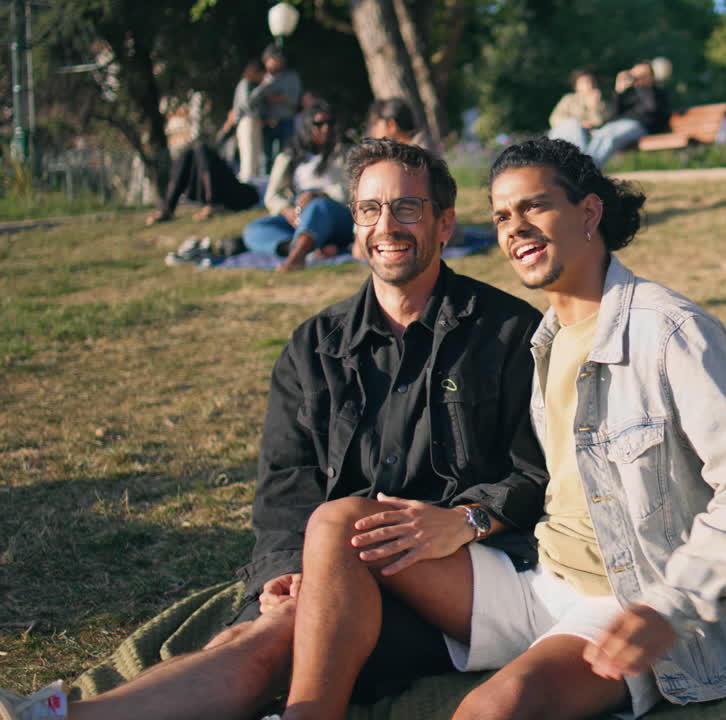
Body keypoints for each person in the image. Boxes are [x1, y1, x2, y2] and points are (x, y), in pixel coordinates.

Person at [0, 138, 549, 720]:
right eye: (369, 209)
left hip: (448, 578)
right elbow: (286, 481)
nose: (387, 225)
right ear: (355, 225)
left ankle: (57, 716)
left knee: (277, 638)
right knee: (268, 628)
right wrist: (286, 570)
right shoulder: (315, 347)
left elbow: (538, 471)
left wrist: (464, 519)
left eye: (407, 208)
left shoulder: (510, 334)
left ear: (443, 224)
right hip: (333, 569)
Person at [415, 137, 726, 719]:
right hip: (541, 578)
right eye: (503, 216)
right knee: (347, 531)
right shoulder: (544, 340)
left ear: (589, 212)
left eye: (534, 207)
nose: (515, 228)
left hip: (630, 605)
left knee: (493, 711)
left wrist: (668, 608)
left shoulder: (671, 332)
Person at [242, 101, 352, 271]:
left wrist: (319, 194)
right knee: (254, 229)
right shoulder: (289, 157)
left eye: (330, 123)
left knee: (318, 207)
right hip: (299, 213)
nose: (326, 128)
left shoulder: (345, 152)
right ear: (307, 126)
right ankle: (298, 248)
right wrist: (287, 211)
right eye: (319, 124)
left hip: (335, 211)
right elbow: (272, 196)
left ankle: (297, 258)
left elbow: (352, 190)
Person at [550, 60, 670, 167]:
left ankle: (587, 169)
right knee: (602, 135)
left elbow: (652, 107)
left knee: (609, 137)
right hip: (618, 125)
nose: (635, 76)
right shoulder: (632, 92)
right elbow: (615, 114)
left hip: (639, 126)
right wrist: (619, 92)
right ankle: (583, 167)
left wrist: (643, 83)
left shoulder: (655, 91)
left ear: (651, 75)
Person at [145, 144, 260, 226]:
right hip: (209, 193)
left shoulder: (248, 193)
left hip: (221, 195)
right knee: (189, 154)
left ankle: (169, 209)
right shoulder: (247, 187)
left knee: (200, 150)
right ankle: (168, 208)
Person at [216, 58, 267, 181]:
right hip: (247, 121)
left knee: (255, 159)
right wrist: (262, 88)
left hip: (255, 122)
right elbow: (247, 104)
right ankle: (247, 185)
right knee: (248, 158)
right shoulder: (245, 84)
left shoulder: (252, 85)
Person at [253, 46, 303, 169]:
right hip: (267, 122)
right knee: (266, 158)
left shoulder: (292, 77)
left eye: (278, 59)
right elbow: (253, 101)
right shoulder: (262, 78)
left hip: (286, 121)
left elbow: (295, 100)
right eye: (272, 59)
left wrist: (280, 98)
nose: (276, 62)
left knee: (285, 156)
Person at [548, 70, 606, 134]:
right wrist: (578, 124)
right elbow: (554, 119)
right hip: (569, 132)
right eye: (585, 82)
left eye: (592, 81)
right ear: (576, 85)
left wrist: (593, 107)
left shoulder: (601, 99)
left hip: (592, 135)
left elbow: (599, 122)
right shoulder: (569, 99)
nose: (590, 85)